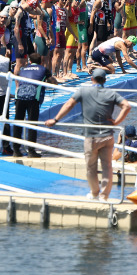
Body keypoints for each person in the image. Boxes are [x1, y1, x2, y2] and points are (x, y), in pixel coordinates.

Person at [45, 67, 130, 201]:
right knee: (107, 167)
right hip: (107, 136)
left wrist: (55, 120)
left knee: (91, 167)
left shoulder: (83, 91)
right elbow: (127, 106)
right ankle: (104, 196)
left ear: (92, 79)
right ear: (105, 80)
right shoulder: (111, 93)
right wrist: (116, 122)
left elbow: (69, 105)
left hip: (91, 137)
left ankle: (95, 192)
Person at [10, 53, 51, 157]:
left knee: (18, 122)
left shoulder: (23, 69)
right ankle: (31, 151)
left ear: (30, 61)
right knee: (32, 123)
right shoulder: (43, 69)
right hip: (33, 98)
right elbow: (52, 81)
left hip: (19, 97)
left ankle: (16, 150)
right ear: (41, 61)